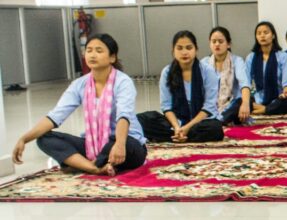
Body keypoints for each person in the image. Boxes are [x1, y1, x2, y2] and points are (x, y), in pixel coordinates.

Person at [13, 33, 147, 175]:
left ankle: (83, 164)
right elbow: (55, 117)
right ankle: (95, 168)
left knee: (120, 145)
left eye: (99, 51)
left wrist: (119, 144)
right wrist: (24, 139)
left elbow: (123, 116)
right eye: (89, 50)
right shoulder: (79, 84)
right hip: (92, 144)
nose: (92, 55)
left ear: (112, 57)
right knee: (44, 139)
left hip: (126, 143)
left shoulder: (123, 82)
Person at [138, 30, 224, 143]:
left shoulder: (207, 71)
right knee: (142, 119)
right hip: (175, 121)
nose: (184, 52)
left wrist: (187, 127)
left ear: (196, 50)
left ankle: (176, 136)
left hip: (199, 121)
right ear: (173, 51)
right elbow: (166, 106)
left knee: (215, 128)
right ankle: (180, 134)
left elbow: (209, 107)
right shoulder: (167, 72)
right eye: (179, 48)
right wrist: (177, 127)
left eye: (189, 48)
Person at [203, 26, 251, 125]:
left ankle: (218, 122)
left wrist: (245, 104)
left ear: (228, 44)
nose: (217, 44)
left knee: (244, 101)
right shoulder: (203, 63)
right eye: (214, 41)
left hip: (232, 104)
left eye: (220, 41)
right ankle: (219, 121)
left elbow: (244, 84)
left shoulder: (237, 61)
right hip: (210, 106)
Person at [245, 21, 287, 115]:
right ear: (256, 37)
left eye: (266, 32)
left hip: (277, 97)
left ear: (273, 35)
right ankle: (268, 109)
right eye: (259, 33)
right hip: (257, 97)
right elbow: (246, 82)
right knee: (240, 102)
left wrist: (285, 93)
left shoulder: (283, 56)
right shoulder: (251, 57)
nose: (262, 36)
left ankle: (263, 110)